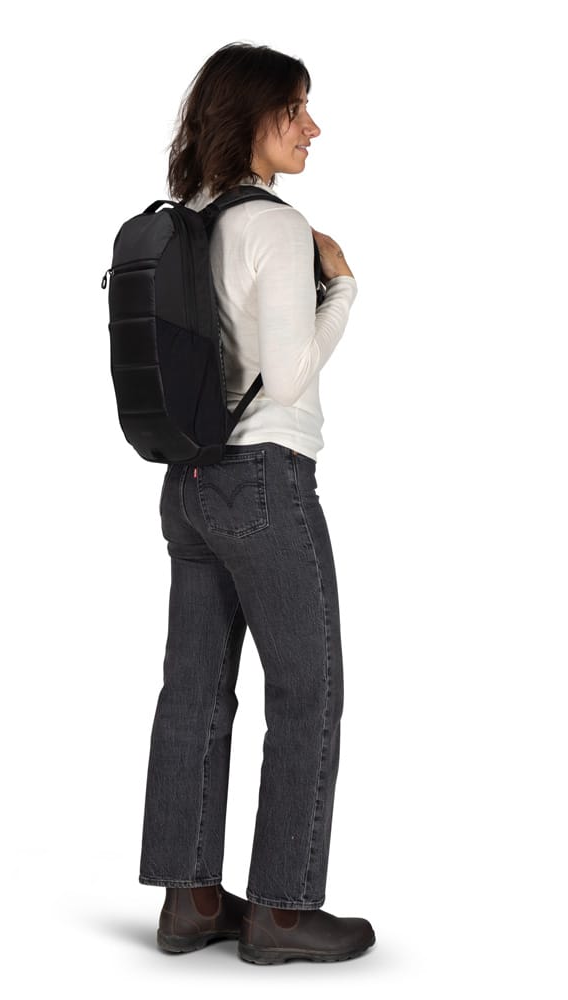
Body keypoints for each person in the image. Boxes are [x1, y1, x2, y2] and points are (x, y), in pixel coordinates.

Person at [138, 42, 375, 965]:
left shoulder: (191, 220)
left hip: (190, 484)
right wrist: (342, 290)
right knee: (309, 690)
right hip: (267, 481)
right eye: (296, 108)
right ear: (253, 117)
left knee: (194, 693)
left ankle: (191, 899)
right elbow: (287, 374)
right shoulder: (275, 227)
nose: (313, 127)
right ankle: (280, 910)